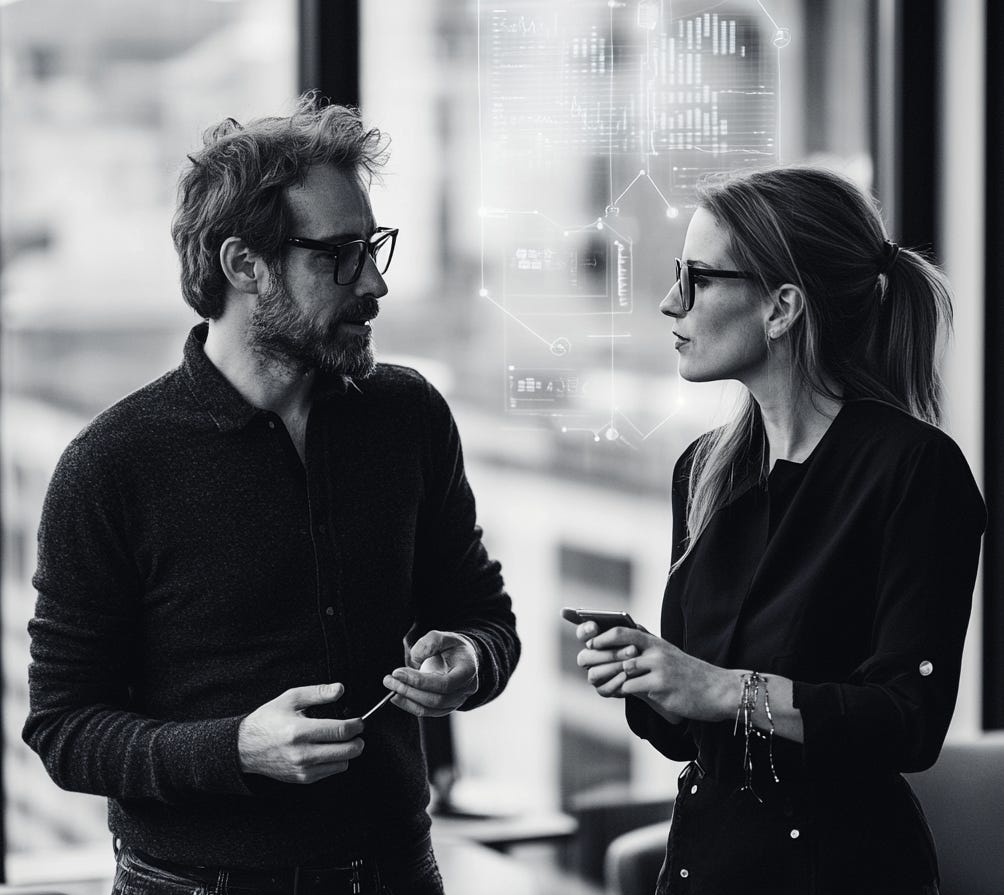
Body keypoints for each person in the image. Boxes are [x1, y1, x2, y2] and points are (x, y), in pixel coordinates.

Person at [23, 92, 520, 895]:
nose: (374, 283)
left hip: (396, 873)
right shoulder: (111, 464)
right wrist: (235, 749)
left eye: (373, 247)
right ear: (243, 264)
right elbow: (63, 727)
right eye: (339, 255)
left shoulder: (409, 415)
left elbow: (483, 614)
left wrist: (469, 659)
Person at [574, 166, 985, 894]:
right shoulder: (704, 471)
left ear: (782, 307)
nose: (671, 301)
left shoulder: (915, 470)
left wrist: (718, 688)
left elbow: (909, 720)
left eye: (699, 278)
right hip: (704, 869)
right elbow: (686, 737)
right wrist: (652, 677)